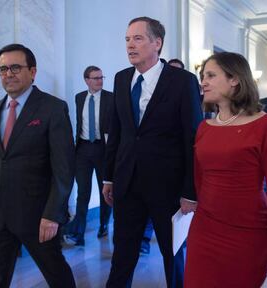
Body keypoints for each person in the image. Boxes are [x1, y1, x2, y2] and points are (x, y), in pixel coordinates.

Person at [102, 17, 202, 288]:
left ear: (157, 43)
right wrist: (109, 177)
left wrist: (190, 191)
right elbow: (118, 132)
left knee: (173, 254)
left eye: (137, 38)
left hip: (167, 187)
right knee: (123, 253)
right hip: (127, 183)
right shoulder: (122, 79)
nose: (130, 45)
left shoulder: (182, 81)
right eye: (127, 39)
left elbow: (192, 138)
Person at [184, 52, 267, 288]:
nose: (203, 82)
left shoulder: (265, 125)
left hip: (248, 232)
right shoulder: (204, 127)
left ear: (235, 79)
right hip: (205, 229)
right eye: (203, 76)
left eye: (211, 75)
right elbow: (200, 179)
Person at [0, 43, 76, 287]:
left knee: (57, 276)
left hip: (38, 216)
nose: (9, 74)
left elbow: (63, 168)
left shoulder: (52, 108)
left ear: (33, 71)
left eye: (16, 67)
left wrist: (53, 215)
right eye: (3, 69)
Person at [140, 57, 187, 255]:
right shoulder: (140, 87)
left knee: (170, 239)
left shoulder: (186, 88)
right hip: (143, 170)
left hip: (170, 173)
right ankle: (144, 239)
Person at [63, 66, 113, 246]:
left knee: (105, 191)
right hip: (83, 149)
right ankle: (79, 233)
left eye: (101, 77)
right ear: (87, 80)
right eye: (96, 78)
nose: (100, 80)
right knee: (82, 192)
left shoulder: (111, 98)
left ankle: (104, 224)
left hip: (103, 149)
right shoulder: (79, 98)